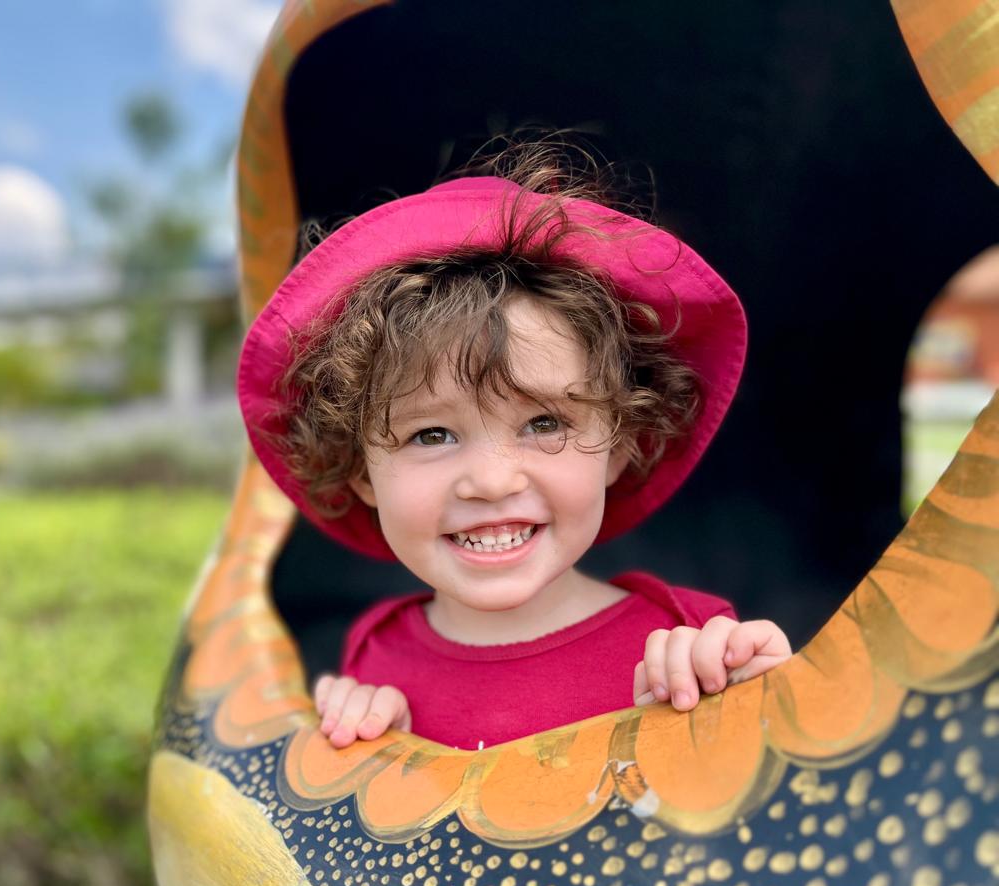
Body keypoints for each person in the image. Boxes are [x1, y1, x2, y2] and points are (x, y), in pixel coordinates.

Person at [237, 149, 791, 751]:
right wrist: (368, 741)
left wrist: (765, 698)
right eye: (431, 435)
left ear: (620, 445)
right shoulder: (375, 653)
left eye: (544, 423)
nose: (493, 481)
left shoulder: (691, 646)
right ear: (360, 471)